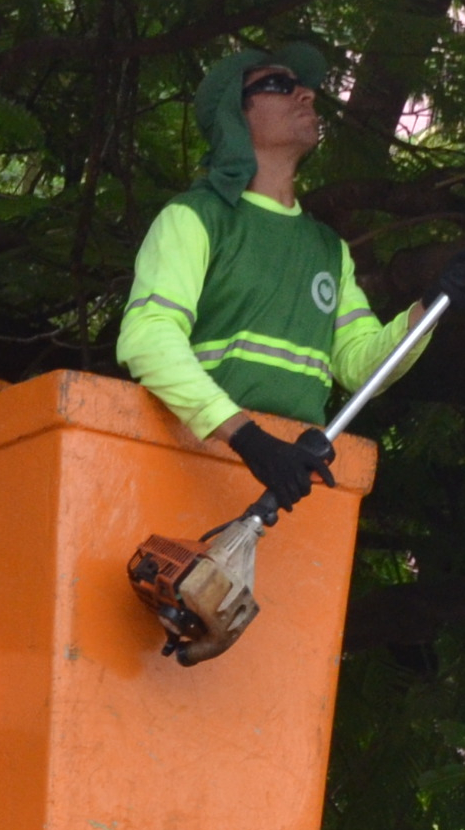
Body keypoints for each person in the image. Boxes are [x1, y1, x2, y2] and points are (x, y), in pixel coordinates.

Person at [116, 41, 434, 508]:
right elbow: (147, 337)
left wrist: (431, 309)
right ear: (234, 115)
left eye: (304, 87)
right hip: (191, 459)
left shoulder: (327, 249)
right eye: (278, 85)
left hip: (291, 479)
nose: (305, 95)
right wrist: (247, 438)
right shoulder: (196, 218)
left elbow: (360, 364)